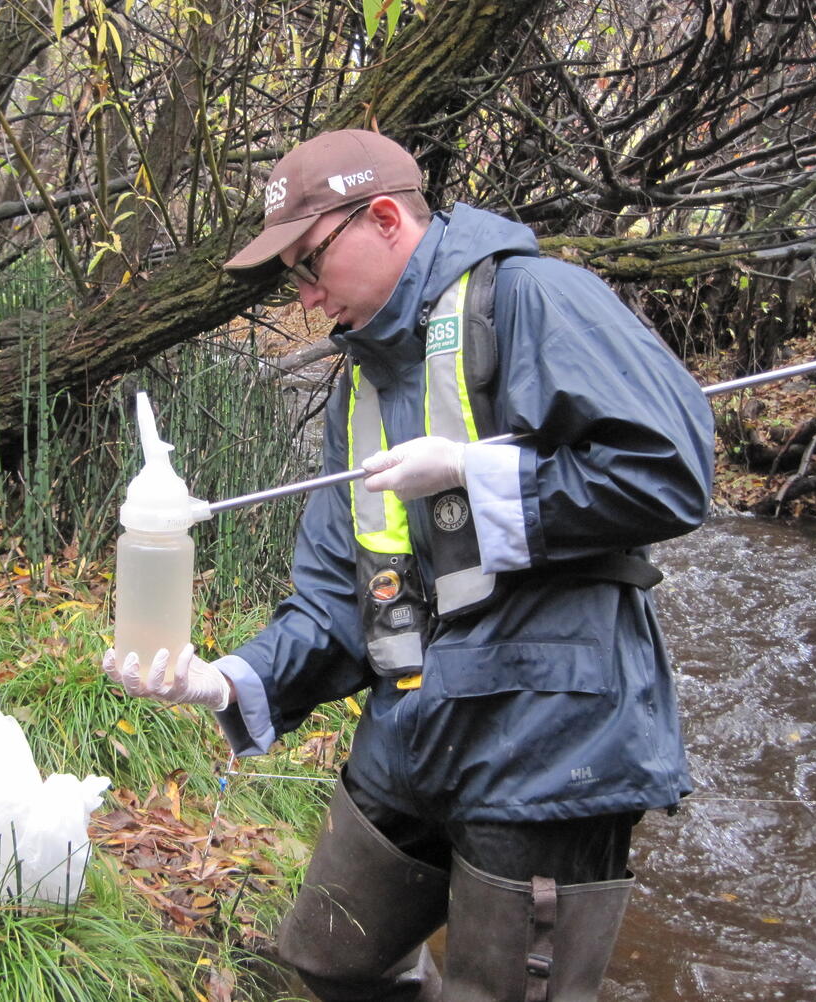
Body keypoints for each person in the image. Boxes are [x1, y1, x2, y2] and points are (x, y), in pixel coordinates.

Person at [103, 129, 714, 1001]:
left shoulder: (536, 298)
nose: (307, 298)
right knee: (330, 956)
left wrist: (478, 474)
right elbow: (333, 602)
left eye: (311, 264)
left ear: (384, 217)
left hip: (552, 740)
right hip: (413, 734)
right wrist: (231, 682)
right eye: (295, 279)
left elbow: (672, 475)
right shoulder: (358, 385)